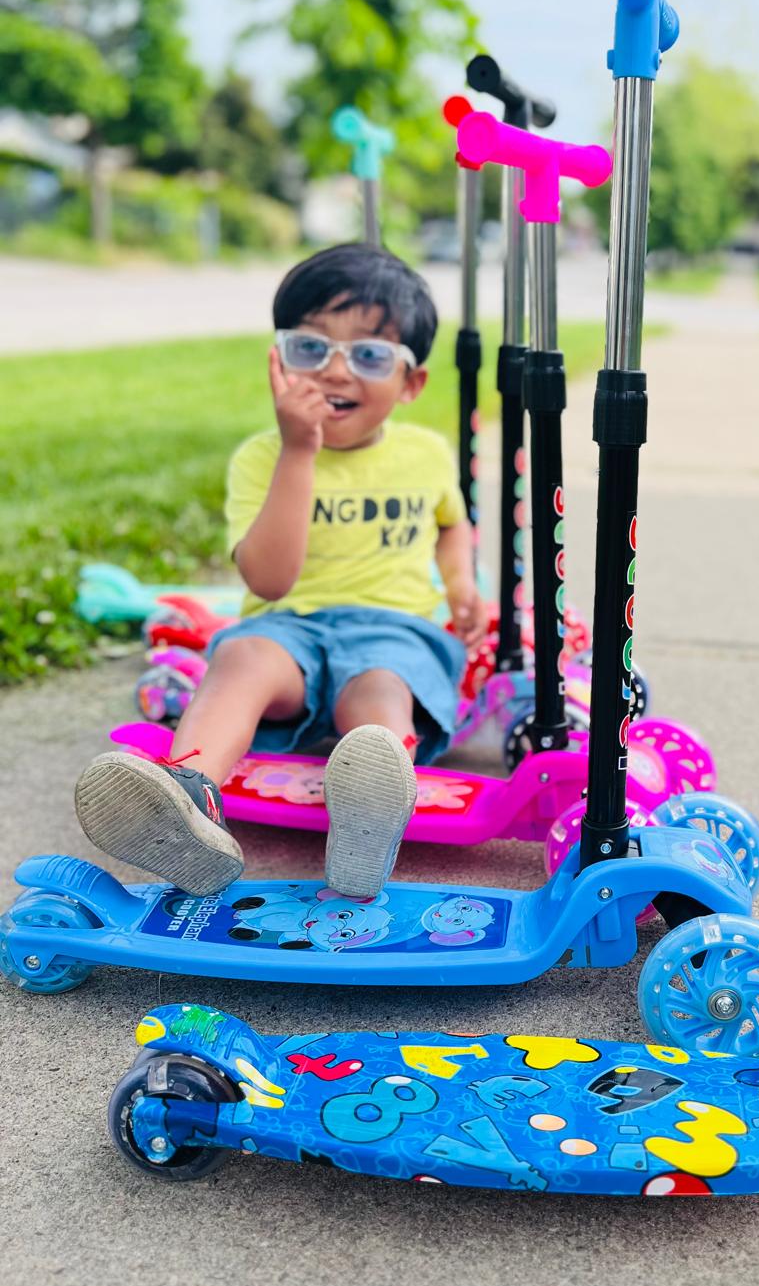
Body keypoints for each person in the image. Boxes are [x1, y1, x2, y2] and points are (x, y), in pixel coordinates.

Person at [74, 243, 488, 901]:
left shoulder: (426, 453)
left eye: (370, 355)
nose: (335, 372)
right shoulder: (259, 458)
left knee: (380, 692)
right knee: (241, 661)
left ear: (412, 384)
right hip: (287, 625)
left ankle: (373, 805)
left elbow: (451, 524)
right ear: (279, 358)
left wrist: (462, 584)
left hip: (393, 629)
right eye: (310, 349)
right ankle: (188, 805)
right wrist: (300, 451)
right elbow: (269, 580)